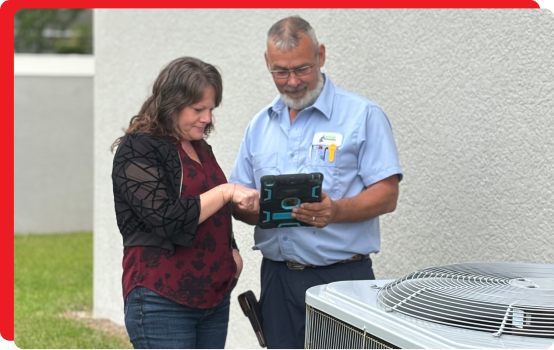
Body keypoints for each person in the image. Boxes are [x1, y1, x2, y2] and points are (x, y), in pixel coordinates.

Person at [229, 16, 403, 349]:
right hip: (278, 278)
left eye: (302, 69)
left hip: (342, 277)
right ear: (267, 63)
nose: (293, 81)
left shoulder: (363, 116)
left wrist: (334, 211)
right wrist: (247, 208)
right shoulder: (259, 126)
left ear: (321, 56)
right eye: (280, 71)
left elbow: (387, 195)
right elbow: (243, 198)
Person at [111, 56, 260, 350]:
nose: (207, 118)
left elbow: (212, 209)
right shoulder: (139, 148)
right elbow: (164, 217)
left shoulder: (200, 148)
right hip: (161, 299)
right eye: (198, 109)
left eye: (211, 109)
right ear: (171, 104)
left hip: (213, 299)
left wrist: (233, 254)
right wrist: (227, 191)